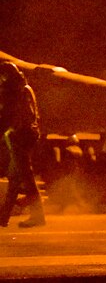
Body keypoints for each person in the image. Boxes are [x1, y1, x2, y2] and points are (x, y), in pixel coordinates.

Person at [0, 61, 45, 228]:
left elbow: (11, 117)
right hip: (22, 136)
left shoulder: (18, 92)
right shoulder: (24, 89)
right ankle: (3, 217)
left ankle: (38, 216)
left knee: (26, 177)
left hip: (21, 137)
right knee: (15, 177)